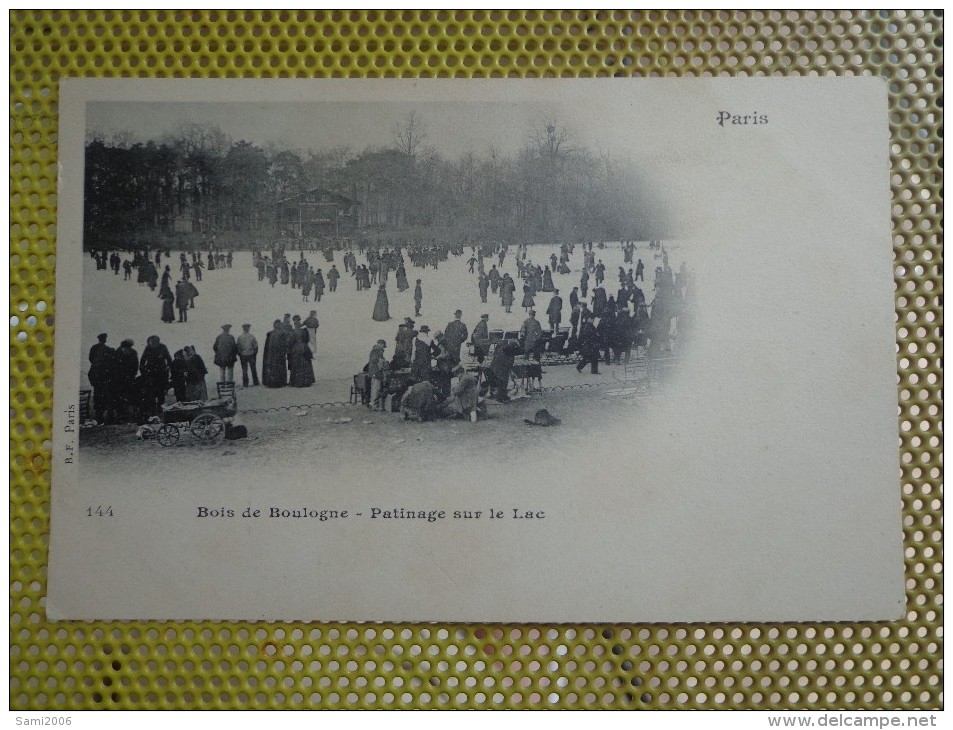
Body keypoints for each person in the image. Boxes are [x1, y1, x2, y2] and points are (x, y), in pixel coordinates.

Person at [139, 335, 173, 415]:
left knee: (161, 393)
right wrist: (144, 373)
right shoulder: (148, 348)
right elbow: (142, 362)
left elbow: (169, 359)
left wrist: (168, 366)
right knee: (151, 393)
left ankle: (161, 410)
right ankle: (153, 411)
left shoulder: (163, 347)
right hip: (150, 375)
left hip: (161, 374)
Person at [88, 333, 115, 423]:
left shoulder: (94, 348)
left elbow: (90, 358)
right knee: (107, 397)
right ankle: (107, 418)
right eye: (104, 338)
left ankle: (100, 418)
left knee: (98, 397)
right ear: (104, 339)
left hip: (96, 377)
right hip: (104, 378)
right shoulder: (108, 349)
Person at [114, 338, 139, 420]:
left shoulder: (117, 351)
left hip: (120, 378)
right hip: (126, 378)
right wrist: (133, 375)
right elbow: (135, 365)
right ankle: (126, 413)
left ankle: (122, 413)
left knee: (122, 396)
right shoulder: (132, 352)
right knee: (128, 395)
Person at [262, 320, 289, 388]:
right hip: (272, 354)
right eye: (276, 324)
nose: (277, 326)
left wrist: (284, 352)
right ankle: (274, 382)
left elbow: (285, 344)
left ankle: (278, 382)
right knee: (273, 367)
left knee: (278, 367)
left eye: (278, 324)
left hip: (278, 354)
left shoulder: (282, 333)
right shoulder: (270, 333)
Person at [367, 339, 389, 411]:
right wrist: (383, 363)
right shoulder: (377, 351)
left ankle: (372, 404)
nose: (383, 348)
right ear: (381, 344)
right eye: (383, 346)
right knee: (376, 388)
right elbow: (378, 362)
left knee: (374, 388)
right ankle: (374, 405)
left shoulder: (374, 350)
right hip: (376, 372)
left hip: (373, 371)